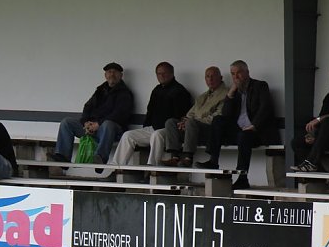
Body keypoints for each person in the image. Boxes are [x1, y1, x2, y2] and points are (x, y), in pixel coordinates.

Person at [195, 60, 277, 189]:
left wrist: (254, 125)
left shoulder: (260, 86)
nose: (236, 77)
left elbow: (265, 108)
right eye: (233, 74)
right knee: (218, 120)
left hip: (257, 132)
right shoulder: (235, 91)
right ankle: (213, 161)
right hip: (239, 130)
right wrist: (230, 94)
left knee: (244, 136)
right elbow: (226, 114)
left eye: (239, 73)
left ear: (247, 72)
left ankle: (242, 178)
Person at [52, 62, 134, 165]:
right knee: (66, 122)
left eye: (115, 72)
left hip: (110, 131)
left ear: (121, 75)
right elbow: (88, 106)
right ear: (105, 75)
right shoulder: (100, 90)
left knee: (107, 124)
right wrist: (86, 123)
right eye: (109, 72)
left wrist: (98, 124)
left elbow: (119, 114)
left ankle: (100, 158)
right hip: (93, 128)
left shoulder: (124, 93)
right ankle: (62, 157)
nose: (112, 74)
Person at [113, 62, 191, 166]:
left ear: (172, 74)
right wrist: (146, 126)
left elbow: (181, 117)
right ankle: (116, 167)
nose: (161, 76)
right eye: (158, 73)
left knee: (156, 135)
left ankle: (152, 167)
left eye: (164, 73)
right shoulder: (157, 90)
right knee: (128, 135)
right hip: (154, 128)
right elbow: (150, 111)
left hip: (170, 131)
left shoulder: (180, 91)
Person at [164, 66, 229, 167]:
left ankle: (188, 158)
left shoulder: (226, 94)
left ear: (220, 78)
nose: (210, 79)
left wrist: (192, 121)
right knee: (171, 122)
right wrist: (184, 122)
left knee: (191, 122)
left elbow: (217, 117)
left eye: (213, 76)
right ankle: (174, 157)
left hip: (210, 131)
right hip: (193, 129)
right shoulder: (202, 96)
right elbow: (190, 114)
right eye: (207, 76)